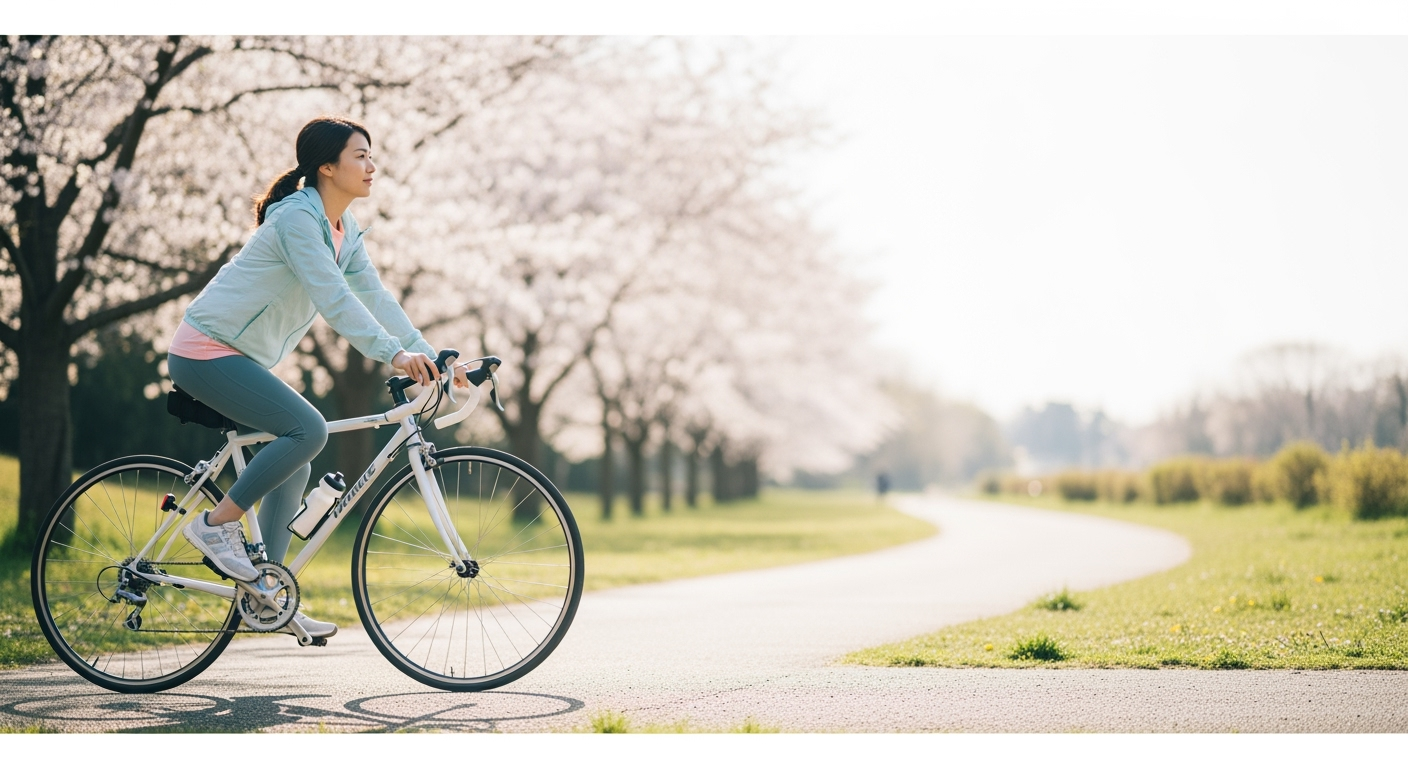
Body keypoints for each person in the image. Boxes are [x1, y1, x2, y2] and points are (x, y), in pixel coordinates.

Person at [168, 116, 468, 640]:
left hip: (238, 357)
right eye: (360, 156)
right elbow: (333, 298)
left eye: (372, 155)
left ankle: (265, 593)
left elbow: (375, 297)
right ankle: (214, 526)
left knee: (297, 460)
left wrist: (431, 357)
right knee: (309, 430)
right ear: (326, 167)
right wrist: (394, 357)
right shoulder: (296, 221)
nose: (372, 166)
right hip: (205, 351)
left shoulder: (342, 228)